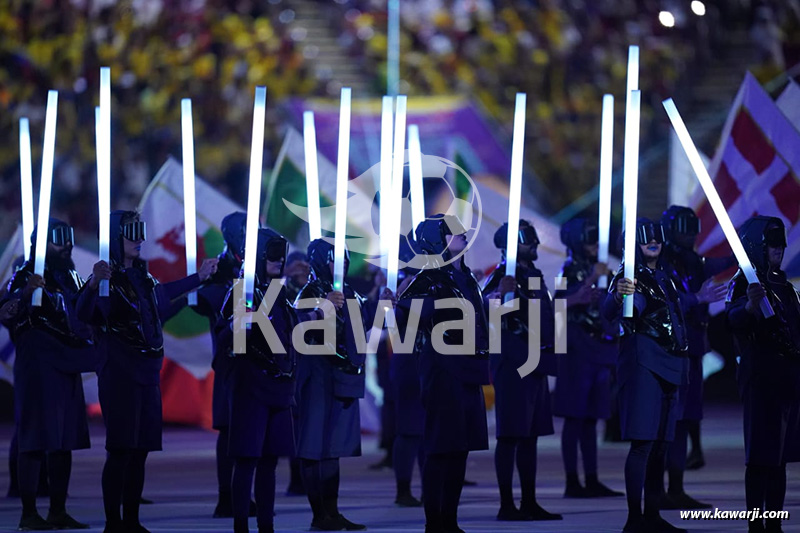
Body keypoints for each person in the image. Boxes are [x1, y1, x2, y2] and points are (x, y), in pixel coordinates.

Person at [77, 210, 218, 533]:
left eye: (141, 231)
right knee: (121, 449)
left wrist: (199, 277)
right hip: (119, 373)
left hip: (147, 370)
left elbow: (163, 301)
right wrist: (95, 282)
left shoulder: (144, 277)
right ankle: (114, 523)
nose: (140, 238)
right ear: (115, 237)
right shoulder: (104, 281)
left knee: (140, 450)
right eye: (132, 232)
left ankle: (132, 521)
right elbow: (84, 313)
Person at [395, 214, 489, 533]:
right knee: (441, 447)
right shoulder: (429, 276)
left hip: (468, 369)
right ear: (439, 241)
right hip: (442, 369)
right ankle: (434, 521)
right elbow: (404, 310)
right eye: (456, 234)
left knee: (460, 448)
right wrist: (437, 310)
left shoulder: (468, 278)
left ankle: (450, 519)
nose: (463, 238)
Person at [2, 219, 95, 530]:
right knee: (35, 438)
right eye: (58, 240)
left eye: (68, 239)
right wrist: (27, 292)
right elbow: (6, 312)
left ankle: (58, 509)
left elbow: (85, 311)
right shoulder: (24, 275)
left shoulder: (70, 276)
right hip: (37, 364)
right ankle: (29, 513)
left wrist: (94, 286)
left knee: (64, 439)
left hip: (67, 361)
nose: (66, 246)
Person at [603, 218, 689, 533]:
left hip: (672, 364)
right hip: (644, 364)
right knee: (643, 444)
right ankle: (634, 518)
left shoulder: (665, 277)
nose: (652, 240)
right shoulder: (629, 277)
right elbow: (613, 309)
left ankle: (652, 514)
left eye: (656, 237)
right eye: (645, 238)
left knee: (662, 445)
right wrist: (619, 297)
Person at [217, 228, 302, 533]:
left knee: (269, 461)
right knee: (247, 459)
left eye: (281, 253)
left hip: (279, 388)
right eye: (272, 253)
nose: (278, 260)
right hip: (250, 386)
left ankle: (266, 525)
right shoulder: (240, 291)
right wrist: (240, 322)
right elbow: (222, 340)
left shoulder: (283, 294)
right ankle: (241, 525)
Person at [483, 219, 562, 521]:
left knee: (531, 435)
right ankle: (507, 504)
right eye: (528, 240)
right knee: (511, 435)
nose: (535, 245)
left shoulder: (532, 276)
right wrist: (500, 295)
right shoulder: (503, 276)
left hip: (535, 363)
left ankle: (529, 501)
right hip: (513, 364)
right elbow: (486, 311)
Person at [726, 216, 800, 533]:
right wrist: (749, 308)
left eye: (781, 244)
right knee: (760, 456)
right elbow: (733, 320)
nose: (778, 250)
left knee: (780, 456)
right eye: (772, 244)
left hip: (788, 377)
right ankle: (758, 525)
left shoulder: (784, 286)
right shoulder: (746, 283)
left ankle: (774, 524)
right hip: (761, 377)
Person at [294, 239, 368, 531]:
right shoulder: (310, 293)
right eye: (336, 259)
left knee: (333, 448)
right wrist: (322, 309)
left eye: (345, 259)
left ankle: (332, 512)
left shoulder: (349, 293)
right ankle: (318, 514)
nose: (343, 264)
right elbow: (299, 331)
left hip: (342, 376)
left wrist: (383, 301)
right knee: (314, 446)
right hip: (317, 377)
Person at [659, 206, 731, 509]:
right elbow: (666, 299)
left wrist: (742, 250)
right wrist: (695, 299)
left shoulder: (692, 261)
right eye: (683, 231)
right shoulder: (661, 262)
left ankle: (676, 487)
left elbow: (713, 265)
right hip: (673, 350)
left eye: (692, 231)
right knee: (669, 423)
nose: (689, 237)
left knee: (686, 419)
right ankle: (660, 489)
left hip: (693, 349)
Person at [191, 212, 257, 518]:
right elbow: (201, 303)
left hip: (258, 354)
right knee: (229, 429)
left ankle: (244, 493)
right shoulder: (219, 269)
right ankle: (226, 495)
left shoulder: (259, 265)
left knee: (251, 429)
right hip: (230, 356)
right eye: (244, 231)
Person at [553, 217, 622, 498]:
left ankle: (591, 478)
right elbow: (557, 302)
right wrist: (593, 277)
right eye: (590, 240)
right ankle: (572, 480)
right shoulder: (568, 269)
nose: (595, 246)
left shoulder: (600, 268)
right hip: (576, 349)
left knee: (593, 417)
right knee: (575, 416)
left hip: (598, 349)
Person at [282, 250, 310, 497]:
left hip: (312, 365)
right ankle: (296, 478)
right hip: (291, 367)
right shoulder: (284, 292)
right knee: (294, 426)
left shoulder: (316, 291)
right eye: (297, 268)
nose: (303, 271)